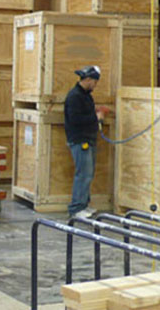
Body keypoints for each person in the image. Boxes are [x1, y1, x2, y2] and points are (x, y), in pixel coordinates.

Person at [64, 65, 108, 218]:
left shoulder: (86, 96)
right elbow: (75, 120)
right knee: (83, 174)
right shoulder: (74, 96)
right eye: (95, 82)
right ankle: (76, 208)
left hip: (89, 139)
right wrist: (96, 118)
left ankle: (84, 204)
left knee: (88, 174)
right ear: (88, 80)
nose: (95, 86)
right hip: (80, 140)